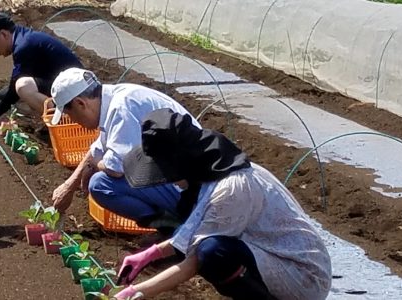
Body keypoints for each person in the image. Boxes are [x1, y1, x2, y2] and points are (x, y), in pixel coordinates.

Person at [112, 108, 332, 300]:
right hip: (272, 255)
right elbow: (191, 231)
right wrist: (151, 254)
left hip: (303, 276)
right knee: (204, 243)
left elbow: (195, 260)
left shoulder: (232, 188)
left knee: (213, 253)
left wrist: (137, 292)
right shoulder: (213, 171)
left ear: (181, 163)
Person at [49, 67, 202, 231]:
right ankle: (172, 225)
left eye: (71, 115)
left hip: (195, 192)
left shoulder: (122, 108)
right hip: (186, 178)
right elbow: (98, 149)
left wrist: (96, 163)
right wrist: (69, 186)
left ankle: (176, 228)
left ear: (80, 103)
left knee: (101, 184)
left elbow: (117, 169)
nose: (74, 121)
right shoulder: (116, 99)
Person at [0, 12, 83, 134]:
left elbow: (14, 92)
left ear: (3, 34)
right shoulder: (24, 39)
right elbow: (13, 88)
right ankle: (60, 117)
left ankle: (63, 122)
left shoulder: (23, 47)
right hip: (72, 88)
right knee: (22, 85)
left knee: (23, 86)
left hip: (78, 94)